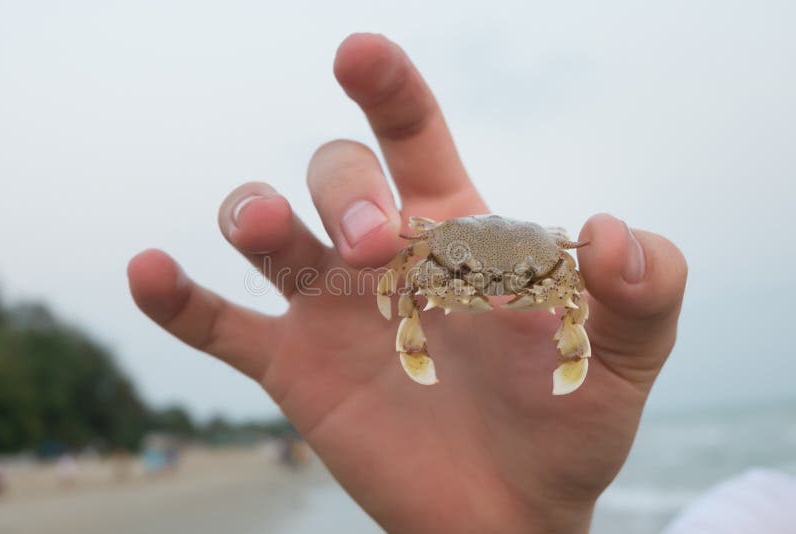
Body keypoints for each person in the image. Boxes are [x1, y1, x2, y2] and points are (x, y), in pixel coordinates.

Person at [127, 33, 687, 533]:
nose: (492, 283)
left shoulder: (554, 262)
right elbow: (405, 265)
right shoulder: (427, 249)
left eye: (519, 276)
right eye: (471, 272)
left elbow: (568, 286)